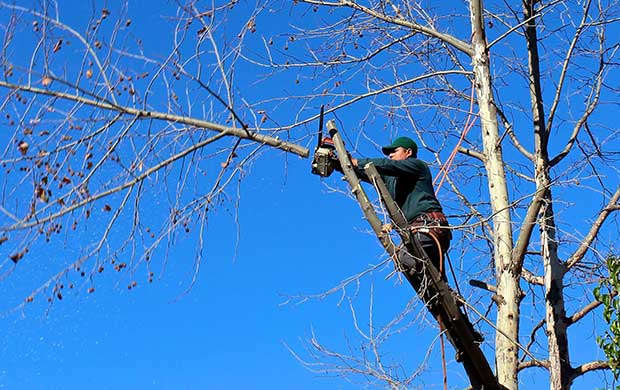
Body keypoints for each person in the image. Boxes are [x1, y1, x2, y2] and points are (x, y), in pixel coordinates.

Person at [349, 136, 451, 277]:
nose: (390, 155)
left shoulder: (417, 166)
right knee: (429, 285)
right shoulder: (391, 178)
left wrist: (358, 162)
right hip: (415, 232)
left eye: (395, 151)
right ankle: (441, 297)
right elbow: (368, 173)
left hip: (429, 226)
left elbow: (387, 165)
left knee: (404, 258)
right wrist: (340, 163)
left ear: (408, 152)